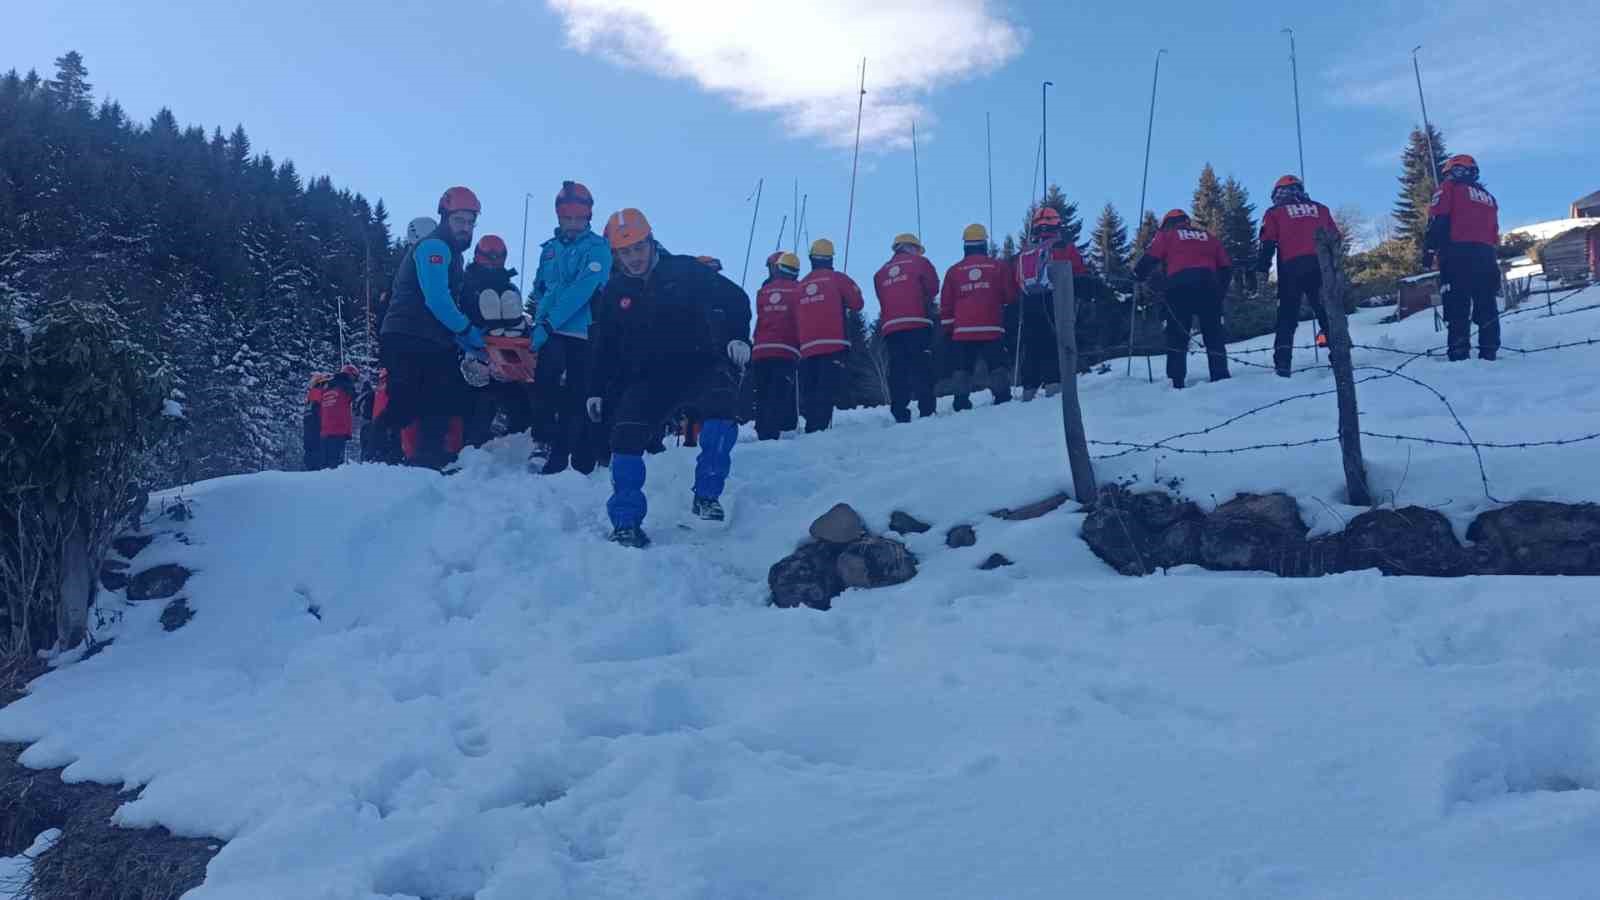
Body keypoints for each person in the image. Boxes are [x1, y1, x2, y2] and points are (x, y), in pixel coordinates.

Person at [586, 208, 752, 548]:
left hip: (700, 364)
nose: (633, 258)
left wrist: (738, 336)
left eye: (638, 248)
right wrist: (596, 390)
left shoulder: (686, 269)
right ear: (615, 254)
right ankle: (626, 522)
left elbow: (736, 298)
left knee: (723, 408)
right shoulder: (615, 292)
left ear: (651, 241)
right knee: (625, 438)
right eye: (624, 252)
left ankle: (707, 495)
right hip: (648, 378)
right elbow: (604, 345)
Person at [377, 186, 486, 469]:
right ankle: (378, 460)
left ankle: (426, 461)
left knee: (440, 398)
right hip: (409, 334)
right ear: (444, 218)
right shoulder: (434, 247)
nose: (465, 228)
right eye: (459, 220)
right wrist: (468, 332)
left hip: (432, 337)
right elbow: (437, 299)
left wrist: (465, 340)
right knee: (407, 397)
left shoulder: (452, 253)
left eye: (470, 222)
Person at [529, 181, 612, 474]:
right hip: (550, 330)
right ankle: (543, 440)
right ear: (559, 217)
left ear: (589, 217)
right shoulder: (549, 250)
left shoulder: (598, 248)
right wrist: (540, 319)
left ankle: (567, 454)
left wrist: (549, 323)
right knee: (543, 386)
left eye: (580, 218)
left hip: (582, 331)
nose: (574, 224)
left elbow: (583, 289)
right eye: (568, 218)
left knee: (577, 394)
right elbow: (543, 287)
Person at [1134, 209, 1232, 389]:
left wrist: (1137, 275)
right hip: (1208, 285)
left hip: (1179, 286)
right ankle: (1220, 376)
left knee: (1177, 334)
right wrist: (1220, 292)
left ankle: (1176, 380)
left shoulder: (1167, 236)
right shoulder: (1208, 237)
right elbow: (1226, 266)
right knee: (1213, 333)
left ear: (1167, 224)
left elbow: (1151, 257)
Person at [1255, 175, 1340, 376]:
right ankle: (1340, 356)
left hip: (1291, 267)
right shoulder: (1321, 208)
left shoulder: (1274, 212)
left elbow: (1267, 242)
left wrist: (1262, 270)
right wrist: (1336, 268)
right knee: (1327, 313)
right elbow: (1336, 239)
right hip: (1321, 266)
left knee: (1286, 317)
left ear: (1277, 193)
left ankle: (1283, 364)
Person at [1424, 154, 1501, 361]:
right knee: (1486, 304)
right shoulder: (1489, 198)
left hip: (1457, 253)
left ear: (1456, 170)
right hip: (1487, 255)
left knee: (1457, 304)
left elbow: (1438, 220)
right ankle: (1489, 350)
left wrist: (1429, 250)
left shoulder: (1448, 189)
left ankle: (1458, 353)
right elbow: (1494, 233)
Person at [459, 234, 534, 447]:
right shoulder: (466, 285)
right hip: (477, 341)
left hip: (506, 345)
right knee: (483, 392)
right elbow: (460, 316)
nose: (493, 261)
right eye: (489, 256)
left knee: (509, 390)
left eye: (497, 257)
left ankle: (506, 334)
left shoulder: (509, 288)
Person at [1015, 208, 1094, 398]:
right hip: (1055, 300)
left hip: (1029, 302)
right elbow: (1078, 271)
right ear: (1057, 224)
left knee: (1032, 345)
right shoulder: (1064, 247)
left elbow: (1016, 279)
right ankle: (1053, 384)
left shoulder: (1027, 251)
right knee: (1053, 341)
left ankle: (1029, 388)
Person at [941, 224, 1017, 410]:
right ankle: (1002, 398)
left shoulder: (954, 271)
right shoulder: (997, 266)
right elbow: (1009, 296)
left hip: (963, 331)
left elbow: (946, 304)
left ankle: (960, 401)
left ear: (965, 245)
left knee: (962, 368)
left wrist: (948, 330)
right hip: (991, 327)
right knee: (996, 365)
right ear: (984, 242)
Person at [796, 238, 864, 433]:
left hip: (807, 347)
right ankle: (819, 429)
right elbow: (857, 303)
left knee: (811, 387)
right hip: (834, 343)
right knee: (826, 388)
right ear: (831, 259)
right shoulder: (838, 279)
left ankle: (811, 426)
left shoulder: (800, 285)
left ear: (811, 258)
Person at [872, 233, 940, 422]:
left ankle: (899, 412)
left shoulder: (880, 273)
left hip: (892, 329)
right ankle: (926, 409)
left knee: (897, 370)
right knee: (922, 367)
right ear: (911, 247)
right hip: (917, 322)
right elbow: (933, 288)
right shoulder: (921, 263)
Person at [750, 252, 804, 440]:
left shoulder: (763, 291)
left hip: (760, 350)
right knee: (778, 391)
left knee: (763, 392)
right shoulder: (799, 290)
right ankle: (772, 432)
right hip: (785, 349)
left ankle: (763, 429)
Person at [318, 365, 358, 468]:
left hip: (325, 430)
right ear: (351, 375)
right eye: (355, 378)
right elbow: (355, 399)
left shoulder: (327, 388)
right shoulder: (346, 385)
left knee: (324, 465)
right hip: (338, 429)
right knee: (335, 465)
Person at [302, 372, 329, 470]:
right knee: (317, 454)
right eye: (325, 383)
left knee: (310, 453)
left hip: (308, 430)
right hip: (317, 429)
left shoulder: (309, 397)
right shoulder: (318, 393)